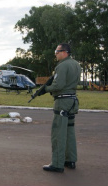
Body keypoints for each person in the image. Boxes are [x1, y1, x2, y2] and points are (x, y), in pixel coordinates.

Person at [42, 43, 81, 173]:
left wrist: (46, 89)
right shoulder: (76, 64)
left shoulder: (62, 66)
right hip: (72, 101)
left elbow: (58, 85)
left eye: (57, 51)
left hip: (62, 101)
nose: (55, 54)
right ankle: (70, 160)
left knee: (58, 132)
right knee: (69, 131)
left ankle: (57, 164)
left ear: (64, 52)